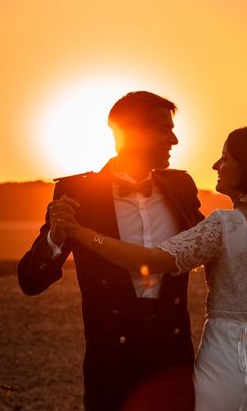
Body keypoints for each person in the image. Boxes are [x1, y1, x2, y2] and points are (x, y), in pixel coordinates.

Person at [56, 126, 247, 411]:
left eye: (225, 158)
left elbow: (147, 262)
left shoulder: (223, 225)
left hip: (227, 359)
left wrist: (81, 231)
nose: (216, 166)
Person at [18, 91, 203, 410]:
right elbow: (30, 281)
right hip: (111, 362)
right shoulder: (78, 191)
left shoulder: (182, 187)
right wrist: (56, 238)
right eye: (164, 129)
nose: (173, 140)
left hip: (173, 358)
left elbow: (211, 246)